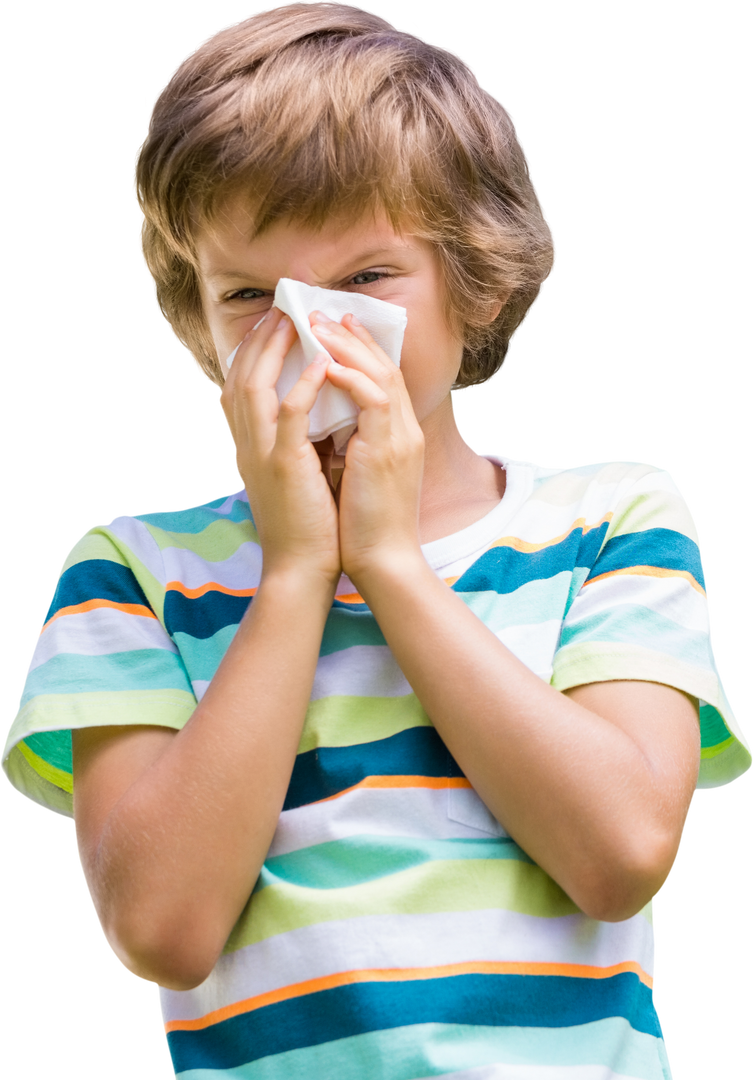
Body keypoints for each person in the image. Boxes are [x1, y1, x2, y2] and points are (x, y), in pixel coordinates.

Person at [3, 3, 750, 1077]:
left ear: (473, 278)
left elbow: (621, 855)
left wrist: (390, 563)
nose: (311, 336)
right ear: (195, 316)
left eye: (367, 280)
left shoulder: (610, 522)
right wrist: (303, 569)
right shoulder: (130, 574)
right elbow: (162, 929)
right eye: (251, 294)